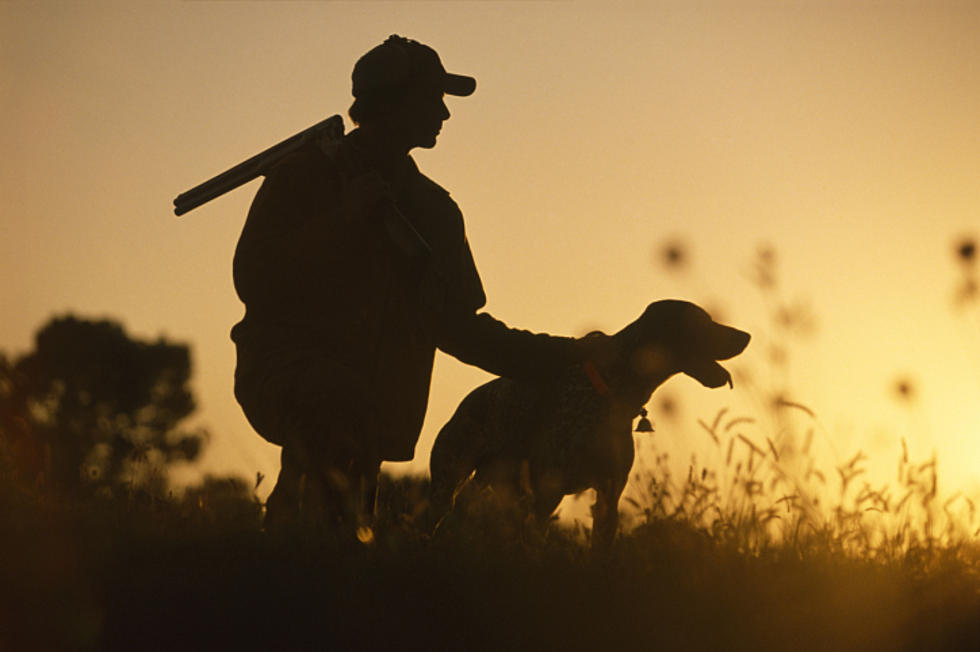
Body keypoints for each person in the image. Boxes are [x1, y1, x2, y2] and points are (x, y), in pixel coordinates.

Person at [231, 35, 597, 535]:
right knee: (327, 447)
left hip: (373, 403)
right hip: (291, 377)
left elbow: (459, 328)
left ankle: (291, 566)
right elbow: (253, 277)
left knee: (347, 545)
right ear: (391, 102)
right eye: (432, 99)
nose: (444, 115)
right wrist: (344, 221)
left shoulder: (434, 211)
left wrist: (568, 356)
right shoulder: (305, 175)